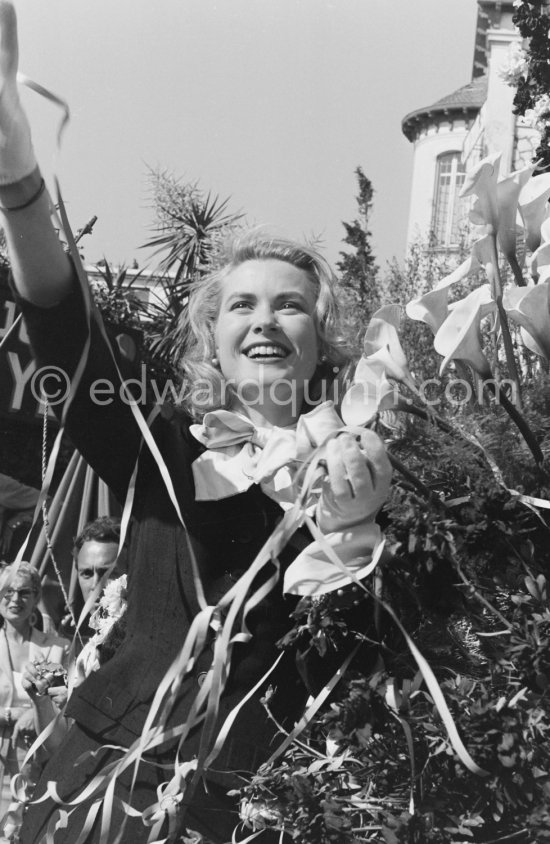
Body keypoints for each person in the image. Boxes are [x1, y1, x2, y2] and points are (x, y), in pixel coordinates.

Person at [0, 4, 393, 842]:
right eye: (241, 304)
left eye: (290, 306)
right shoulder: (156, 444)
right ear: (210, 337)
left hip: (275, 800)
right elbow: (66, 331)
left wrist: (372, 524)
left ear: (322, 337)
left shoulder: (378, 463)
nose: (264, 320)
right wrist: (19, 179)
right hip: (106, 778)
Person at [0, 562, 69, 842]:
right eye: (7, 591)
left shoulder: (58, 647)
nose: (15, 599)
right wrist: (14, 714)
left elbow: (66, 705)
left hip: (37, 768)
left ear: (37, 597)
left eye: (24, 592)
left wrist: (36, 712)